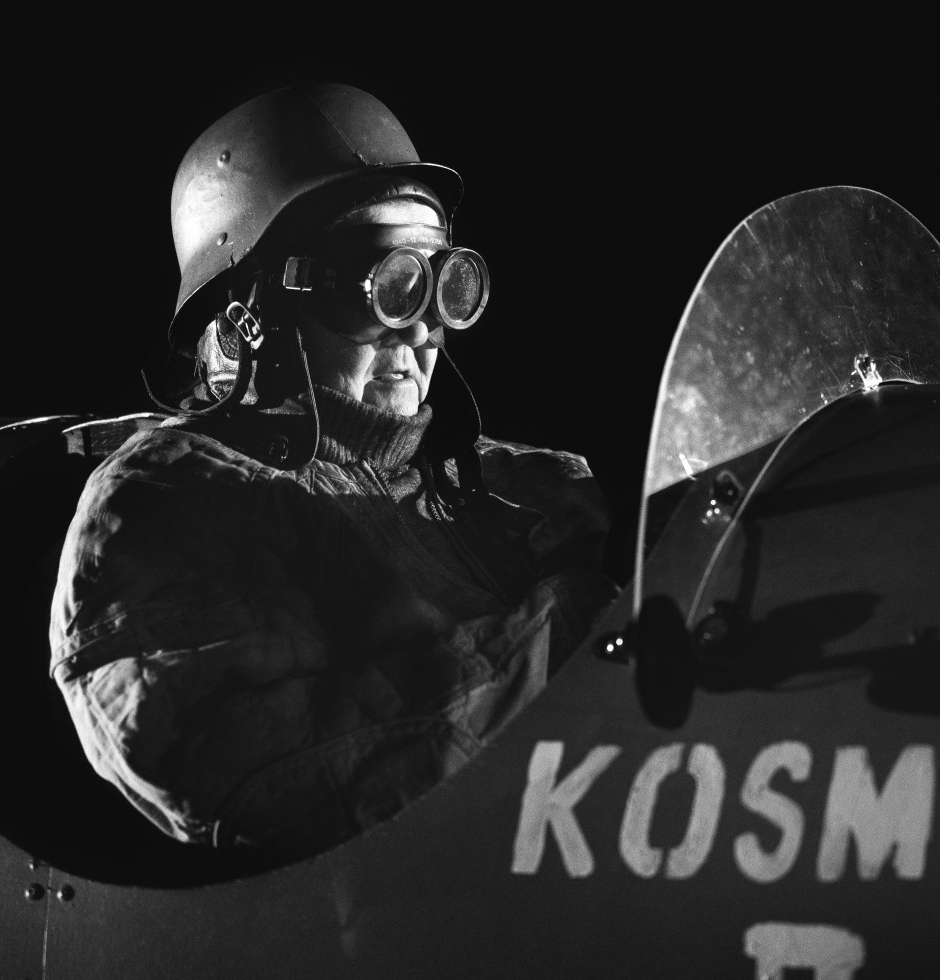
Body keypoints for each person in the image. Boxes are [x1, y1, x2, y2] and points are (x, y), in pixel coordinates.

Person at [49, 82, 617, 859]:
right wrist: (567, 642)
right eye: (389, 286)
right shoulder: (171, 497)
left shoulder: (520, 484)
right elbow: (254, 778)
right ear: (251, 315)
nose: (420, 329)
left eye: (440, 286)